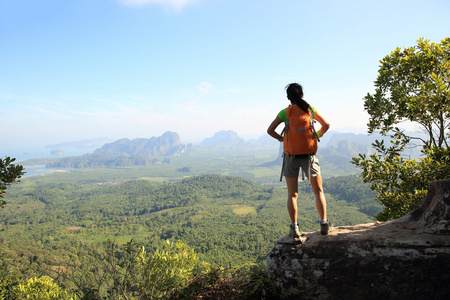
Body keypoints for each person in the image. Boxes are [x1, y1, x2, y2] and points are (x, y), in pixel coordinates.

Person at [267, 83, 331, 243]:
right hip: (309, 156)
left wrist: (283, 139)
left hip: (291, 157)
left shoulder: (285, 113)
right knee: (318, 191)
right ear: (302, 95)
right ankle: (324, 224)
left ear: (288, 97)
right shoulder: (310, 110)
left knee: (292, 194)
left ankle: (294, 228)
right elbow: (326, 125)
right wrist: (317, 136)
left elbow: (270, 130)